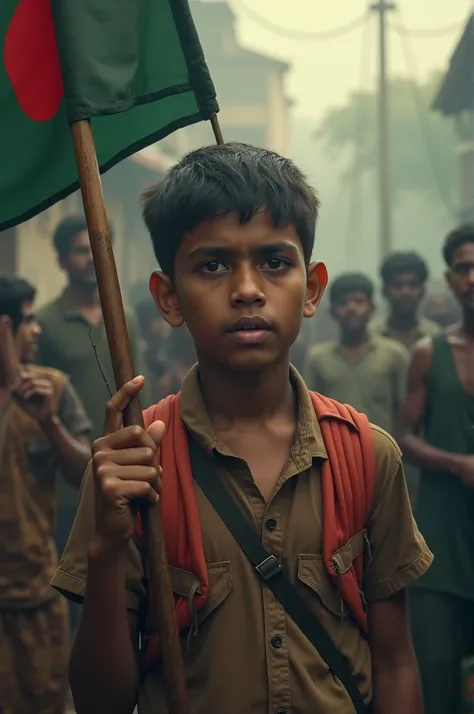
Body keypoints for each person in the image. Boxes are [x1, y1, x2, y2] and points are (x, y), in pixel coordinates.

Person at [52, 144, 431, 714]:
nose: (248, 289)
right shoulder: (133, 465)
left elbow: (396, 661)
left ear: (311, 288)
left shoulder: (366, 455)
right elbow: (100, 700)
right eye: (212, 265)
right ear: (168, 297)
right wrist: (106, 548)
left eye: (275, 262)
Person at [0, 275, 91, 714]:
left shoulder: (51, 388)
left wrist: (49, 423)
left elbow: (85, 474)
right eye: (27, 321)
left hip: (34, 596)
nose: (36, 331)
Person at [398, 224, 474, 714]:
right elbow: (403, 438)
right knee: (438, 681)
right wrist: (458, 463)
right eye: (464, 268)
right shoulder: (430, 354)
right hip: (440, 543)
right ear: (450, 279)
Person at [306, 273, 409, 435]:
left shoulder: (394, 354)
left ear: (371, 308)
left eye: (359, 301)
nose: (351, 308)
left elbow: (404, 412)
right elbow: (309, 413)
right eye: (343, 303)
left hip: (382, 454)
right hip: (336, 453)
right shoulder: (317, 358)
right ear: (332, 311)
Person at [372, 251, 440, 350]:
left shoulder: (436, 337)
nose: (405, 292)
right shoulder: (370, 336)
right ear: (384, 291)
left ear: (422, 291)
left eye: (412, 285)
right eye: (397, 285)